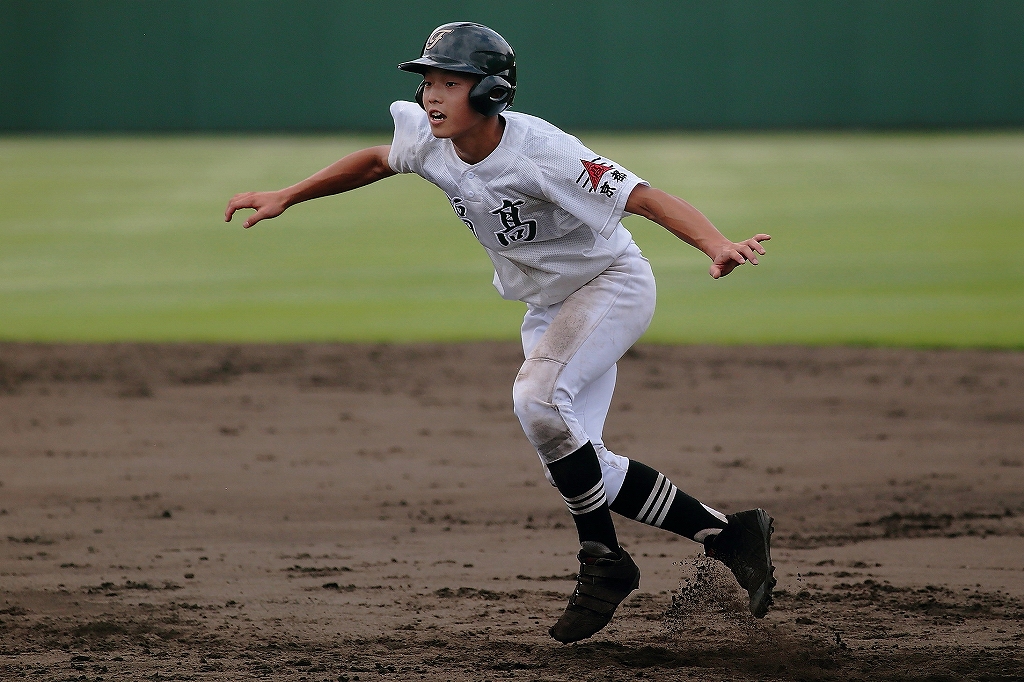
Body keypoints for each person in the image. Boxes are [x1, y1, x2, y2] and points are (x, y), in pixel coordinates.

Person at [225, 22, 775, 644]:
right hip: (549, 309)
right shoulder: (433, 142)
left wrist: (716, 243)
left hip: (608, 286)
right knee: (571, 455)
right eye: (428, 81)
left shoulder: (543, 153)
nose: (432, 96)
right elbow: (378, 159)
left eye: (449, 83)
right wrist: (289, 195)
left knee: (535, 402)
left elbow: (644, 198)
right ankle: (730, 535)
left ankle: (603, 562)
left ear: (488, 93)